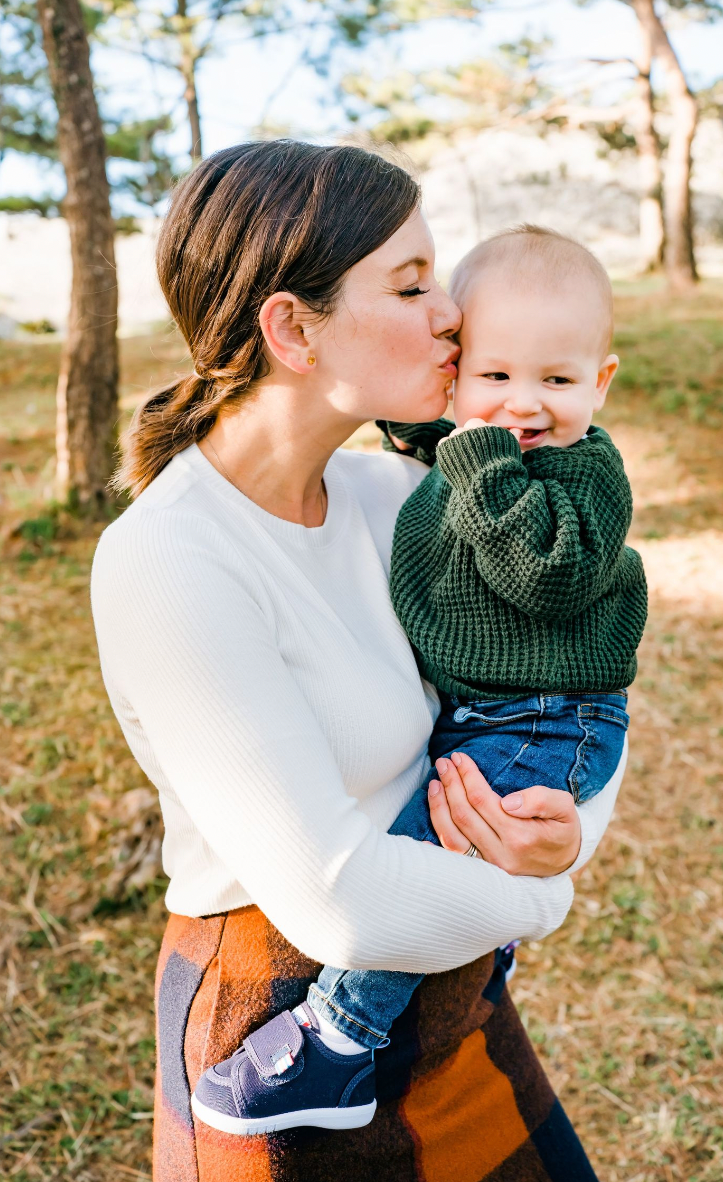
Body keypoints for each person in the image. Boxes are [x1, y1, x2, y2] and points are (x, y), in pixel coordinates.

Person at [92, 140, 624, 1182]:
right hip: (280, 1038)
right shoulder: (170, 560)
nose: (451, 316)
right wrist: (545, 896)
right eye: (413, 283)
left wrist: (565, 834)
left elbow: (562, 681)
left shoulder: (397, 498)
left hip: (454, 1000)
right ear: (293, 329)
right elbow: (336, 900)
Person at [191, 223, 648, 1138]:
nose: (524, 405)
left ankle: (338, 1037)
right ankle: (473, 946)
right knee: (450, 829)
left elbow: (545, 573)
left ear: (599, 383)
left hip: (549, 717)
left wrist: (473, 452)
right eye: (496, 376)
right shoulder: (458, 453)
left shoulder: (579, 473)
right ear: (458, 374)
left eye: (557, 381)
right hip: (491, 712)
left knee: (436, 837)